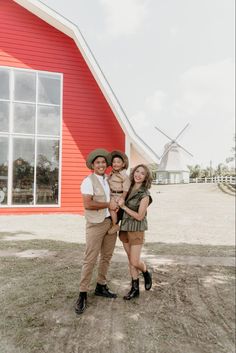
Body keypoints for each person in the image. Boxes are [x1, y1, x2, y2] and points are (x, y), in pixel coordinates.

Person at [74, 148, 118, 315]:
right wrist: (108, 205)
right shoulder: (88, 181)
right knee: (90, 258)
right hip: (95, 224)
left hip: (109, 223)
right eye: (97, 162)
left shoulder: (107, 180)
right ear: (93, 165)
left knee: (107, 256)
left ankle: (101, 286)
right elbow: (88, 204)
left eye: (103, 162)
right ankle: (82, 293)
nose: (101, 164)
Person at [118, 164, 153, 300]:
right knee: (130, 260)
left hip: (137, 229)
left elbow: (139, 216)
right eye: (137, 171)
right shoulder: (128, 188)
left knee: (134, 261)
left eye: (142, 173)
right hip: (125, 227)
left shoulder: (145, 195)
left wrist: (124, 207)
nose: (138, 174)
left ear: (146, 177)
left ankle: (145, 271)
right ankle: (135, 289)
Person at [107, 150, 131, 235]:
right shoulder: (111, 174)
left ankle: (115, 225)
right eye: (114, 162)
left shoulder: (124, 176)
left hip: (119, 195)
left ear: (123, 164)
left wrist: (122, 198)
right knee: (108, 206)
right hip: (111, 194)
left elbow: (126, 189)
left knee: (112, 208)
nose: (115, 164)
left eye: (118, 162)